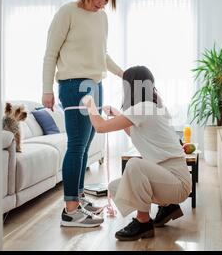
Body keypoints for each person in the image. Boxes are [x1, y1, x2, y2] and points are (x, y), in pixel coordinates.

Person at [42, 0, 124, 228]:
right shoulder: (67, 12)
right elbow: (50, 53)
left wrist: (126, 74)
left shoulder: (102, 19)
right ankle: (70, 211)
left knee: (87, 144)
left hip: (95, 84)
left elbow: (102, 55)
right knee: (77, 144)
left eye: (106, 0)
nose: (101, 3)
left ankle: (77, 198)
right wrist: (47, 89)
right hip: (74, 85)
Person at [82, 66, 192, 240]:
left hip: (177, 181)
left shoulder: (144, 107)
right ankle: (167, 206)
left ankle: (143, 222)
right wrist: (117, 114)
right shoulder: (150, 107)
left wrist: (90, 104)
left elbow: (100, 127)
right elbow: (133, 132)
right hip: (167, 177)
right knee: (115, 187)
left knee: (134, 165)